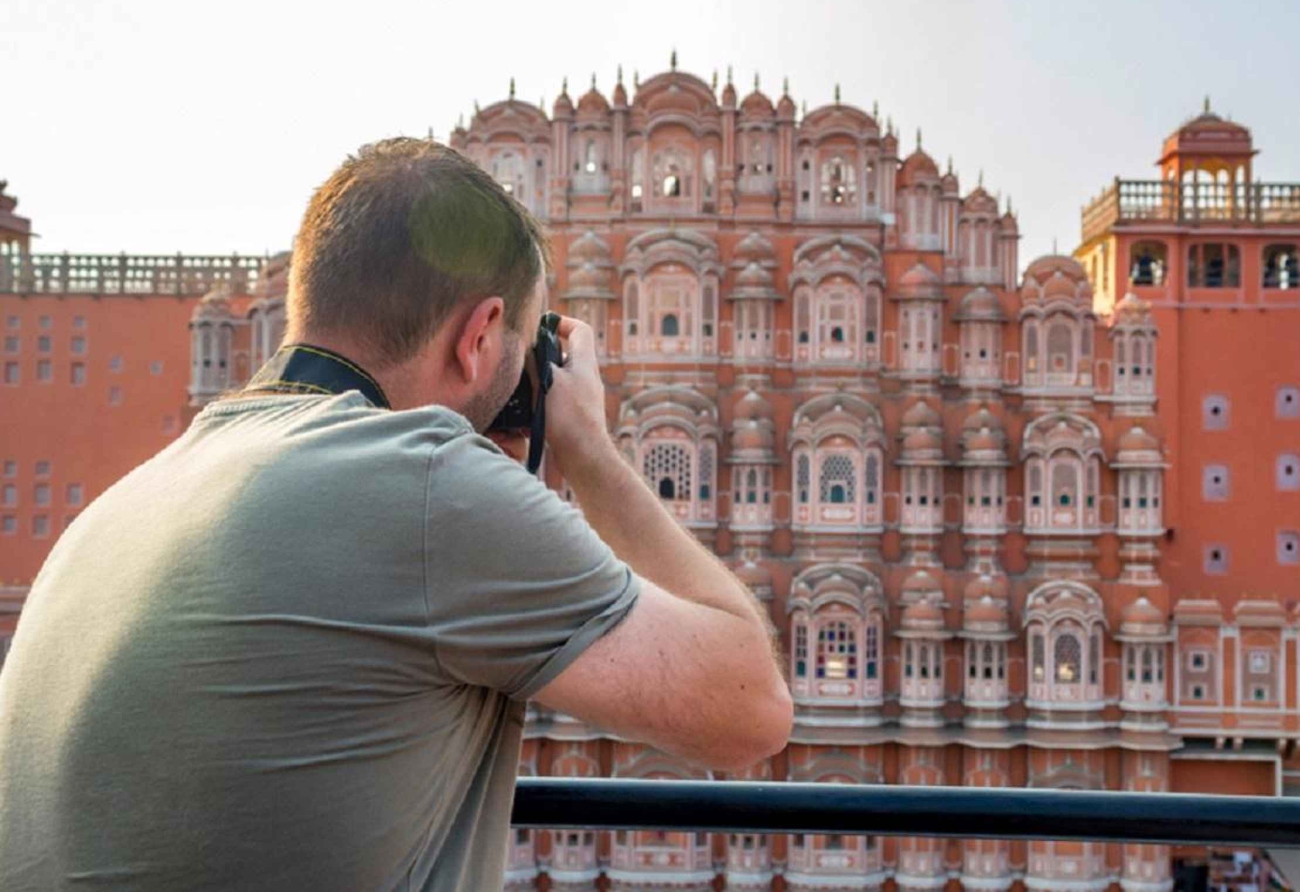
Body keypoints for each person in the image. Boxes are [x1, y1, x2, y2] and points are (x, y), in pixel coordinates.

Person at [0, 138, 792, 891]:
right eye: (523, 350)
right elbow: (751, 711)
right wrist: (586, 444)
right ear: (480, 335)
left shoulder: (119, 507)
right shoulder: (429, 485)